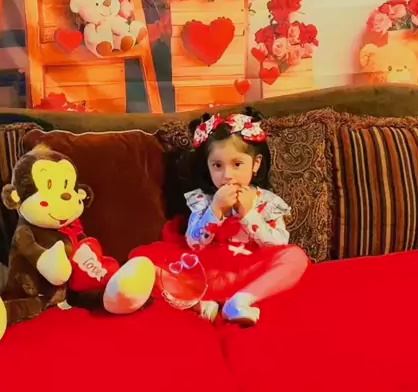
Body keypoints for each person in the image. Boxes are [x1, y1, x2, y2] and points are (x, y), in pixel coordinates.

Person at [132, 109, 309, 326]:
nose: (227, 175)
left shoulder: (267, 201)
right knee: (146, 267)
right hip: (208, 274)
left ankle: (241, 301)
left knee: (296, 257)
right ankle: (201, 305)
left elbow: (279, 244)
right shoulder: (203, 200)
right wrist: (215, 211)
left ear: (255, 164)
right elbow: (194, 243)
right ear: (208, 167)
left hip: (251, 274)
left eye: (237, 164)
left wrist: (249, 215)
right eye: (217, 165)